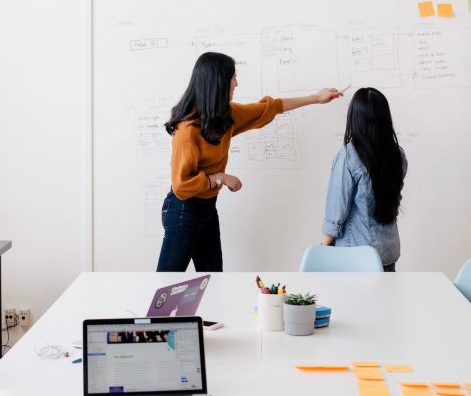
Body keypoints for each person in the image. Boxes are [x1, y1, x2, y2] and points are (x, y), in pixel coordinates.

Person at [157, 52, 341, 272]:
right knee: (167, 286)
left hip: (206, 208)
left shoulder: (224, 116)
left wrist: (315, 98)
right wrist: (219, 178)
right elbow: (181, 186)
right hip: (182, 211)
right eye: (233, 77)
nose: (236, 83)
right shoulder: (187, 130)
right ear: (218, 82)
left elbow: (269, 108)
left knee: (213, 281)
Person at [321, 87, 407, 272]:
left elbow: (336, 213)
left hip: (355, 256)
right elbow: (394, 201)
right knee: (384, 301)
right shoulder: (397, 155)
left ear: (355, 118)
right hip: (388, 253)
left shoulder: (348, 156)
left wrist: (322, 250)